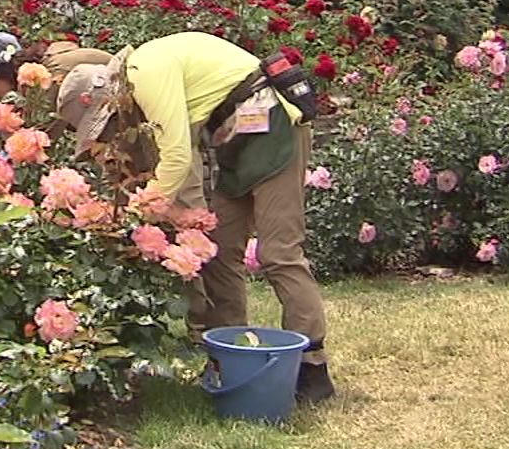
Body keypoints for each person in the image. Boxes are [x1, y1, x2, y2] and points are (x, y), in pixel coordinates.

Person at [58, 32, 334, 404]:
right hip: (234, 138)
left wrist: (144, 210)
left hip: (272, 123)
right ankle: (233, 354)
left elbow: (175, 157)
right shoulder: (139, 87)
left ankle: (312, 367)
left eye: (104, 123)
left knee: (279, 253)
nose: (110, 132)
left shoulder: (145, 69)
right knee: (217, 252)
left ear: (106, 96)